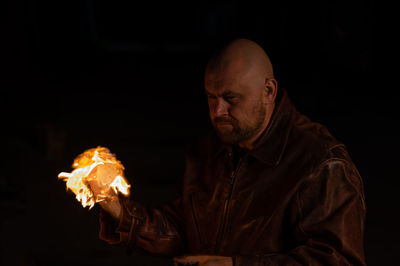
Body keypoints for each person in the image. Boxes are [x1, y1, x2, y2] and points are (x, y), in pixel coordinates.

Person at [95, 39, 366, 265]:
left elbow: (337, 261)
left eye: (230, 98)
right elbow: (183, 229)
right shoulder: (210, 150)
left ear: (268, 91)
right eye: (211, 97)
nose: (217, 112)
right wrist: (119, 211)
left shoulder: (321, 163)